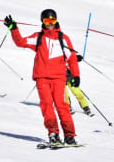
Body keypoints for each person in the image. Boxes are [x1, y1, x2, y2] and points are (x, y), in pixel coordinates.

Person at [4, 9, 80, 146]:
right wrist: (14, 29)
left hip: (59, 78)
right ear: (42, 22)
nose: (50, 24)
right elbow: (21, 42)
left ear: (56, 21)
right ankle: (53, 134)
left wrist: (76, 76)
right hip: (42, 78)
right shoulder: (38, 37)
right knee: (47, 106)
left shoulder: (63, 38)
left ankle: (69, 135)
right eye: (46, 21)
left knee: (62, 106)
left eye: (52, 21)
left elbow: (72, 59)